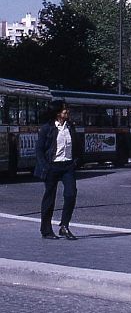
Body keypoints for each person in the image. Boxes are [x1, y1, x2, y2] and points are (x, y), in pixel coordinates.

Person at [34, 99, 83, 240]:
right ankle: (46, 230)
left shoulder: (70, 127)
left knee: (71, 194)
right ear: (56, 112)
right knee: (50, 197)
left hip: (67, 166)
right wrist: (46, 166)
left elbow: (78, 146)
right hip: (52, 166)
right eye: (63, 109)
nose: (66, 111)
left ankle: (64, 226)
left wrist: (75, 162)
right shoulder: (47, 128)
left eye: (66, 109)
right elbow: (39, 149)